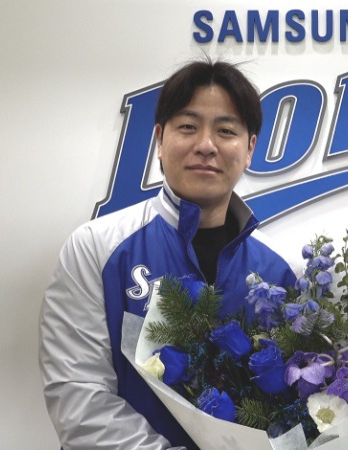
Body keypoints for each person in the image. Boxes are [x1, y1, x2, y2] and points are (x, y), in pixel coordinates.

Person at [39, 60, 296, 449]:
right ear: (160, 140)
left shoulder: (279, 272)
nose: (206, 145)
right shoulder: (96, 248)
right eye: (188, 127)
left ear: (250, 149)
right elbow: (80, 403)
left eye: (226, 131)